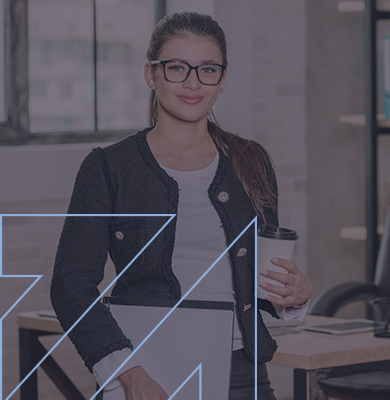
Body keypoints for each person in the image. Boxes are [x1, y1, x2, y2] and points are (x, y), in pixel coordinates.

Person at [50, 11, 311, 400]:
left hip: (242, 371)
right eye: (176, 68)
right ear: (150, 75)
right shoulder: (108, 168)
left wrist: (296, 295)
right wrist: (128, 373)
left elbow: (260, 283)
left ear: (222, 80)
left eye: (207, 69)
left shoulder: (252, 161)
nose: (192, 83)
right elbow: (69, 286)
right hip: (146, 372)